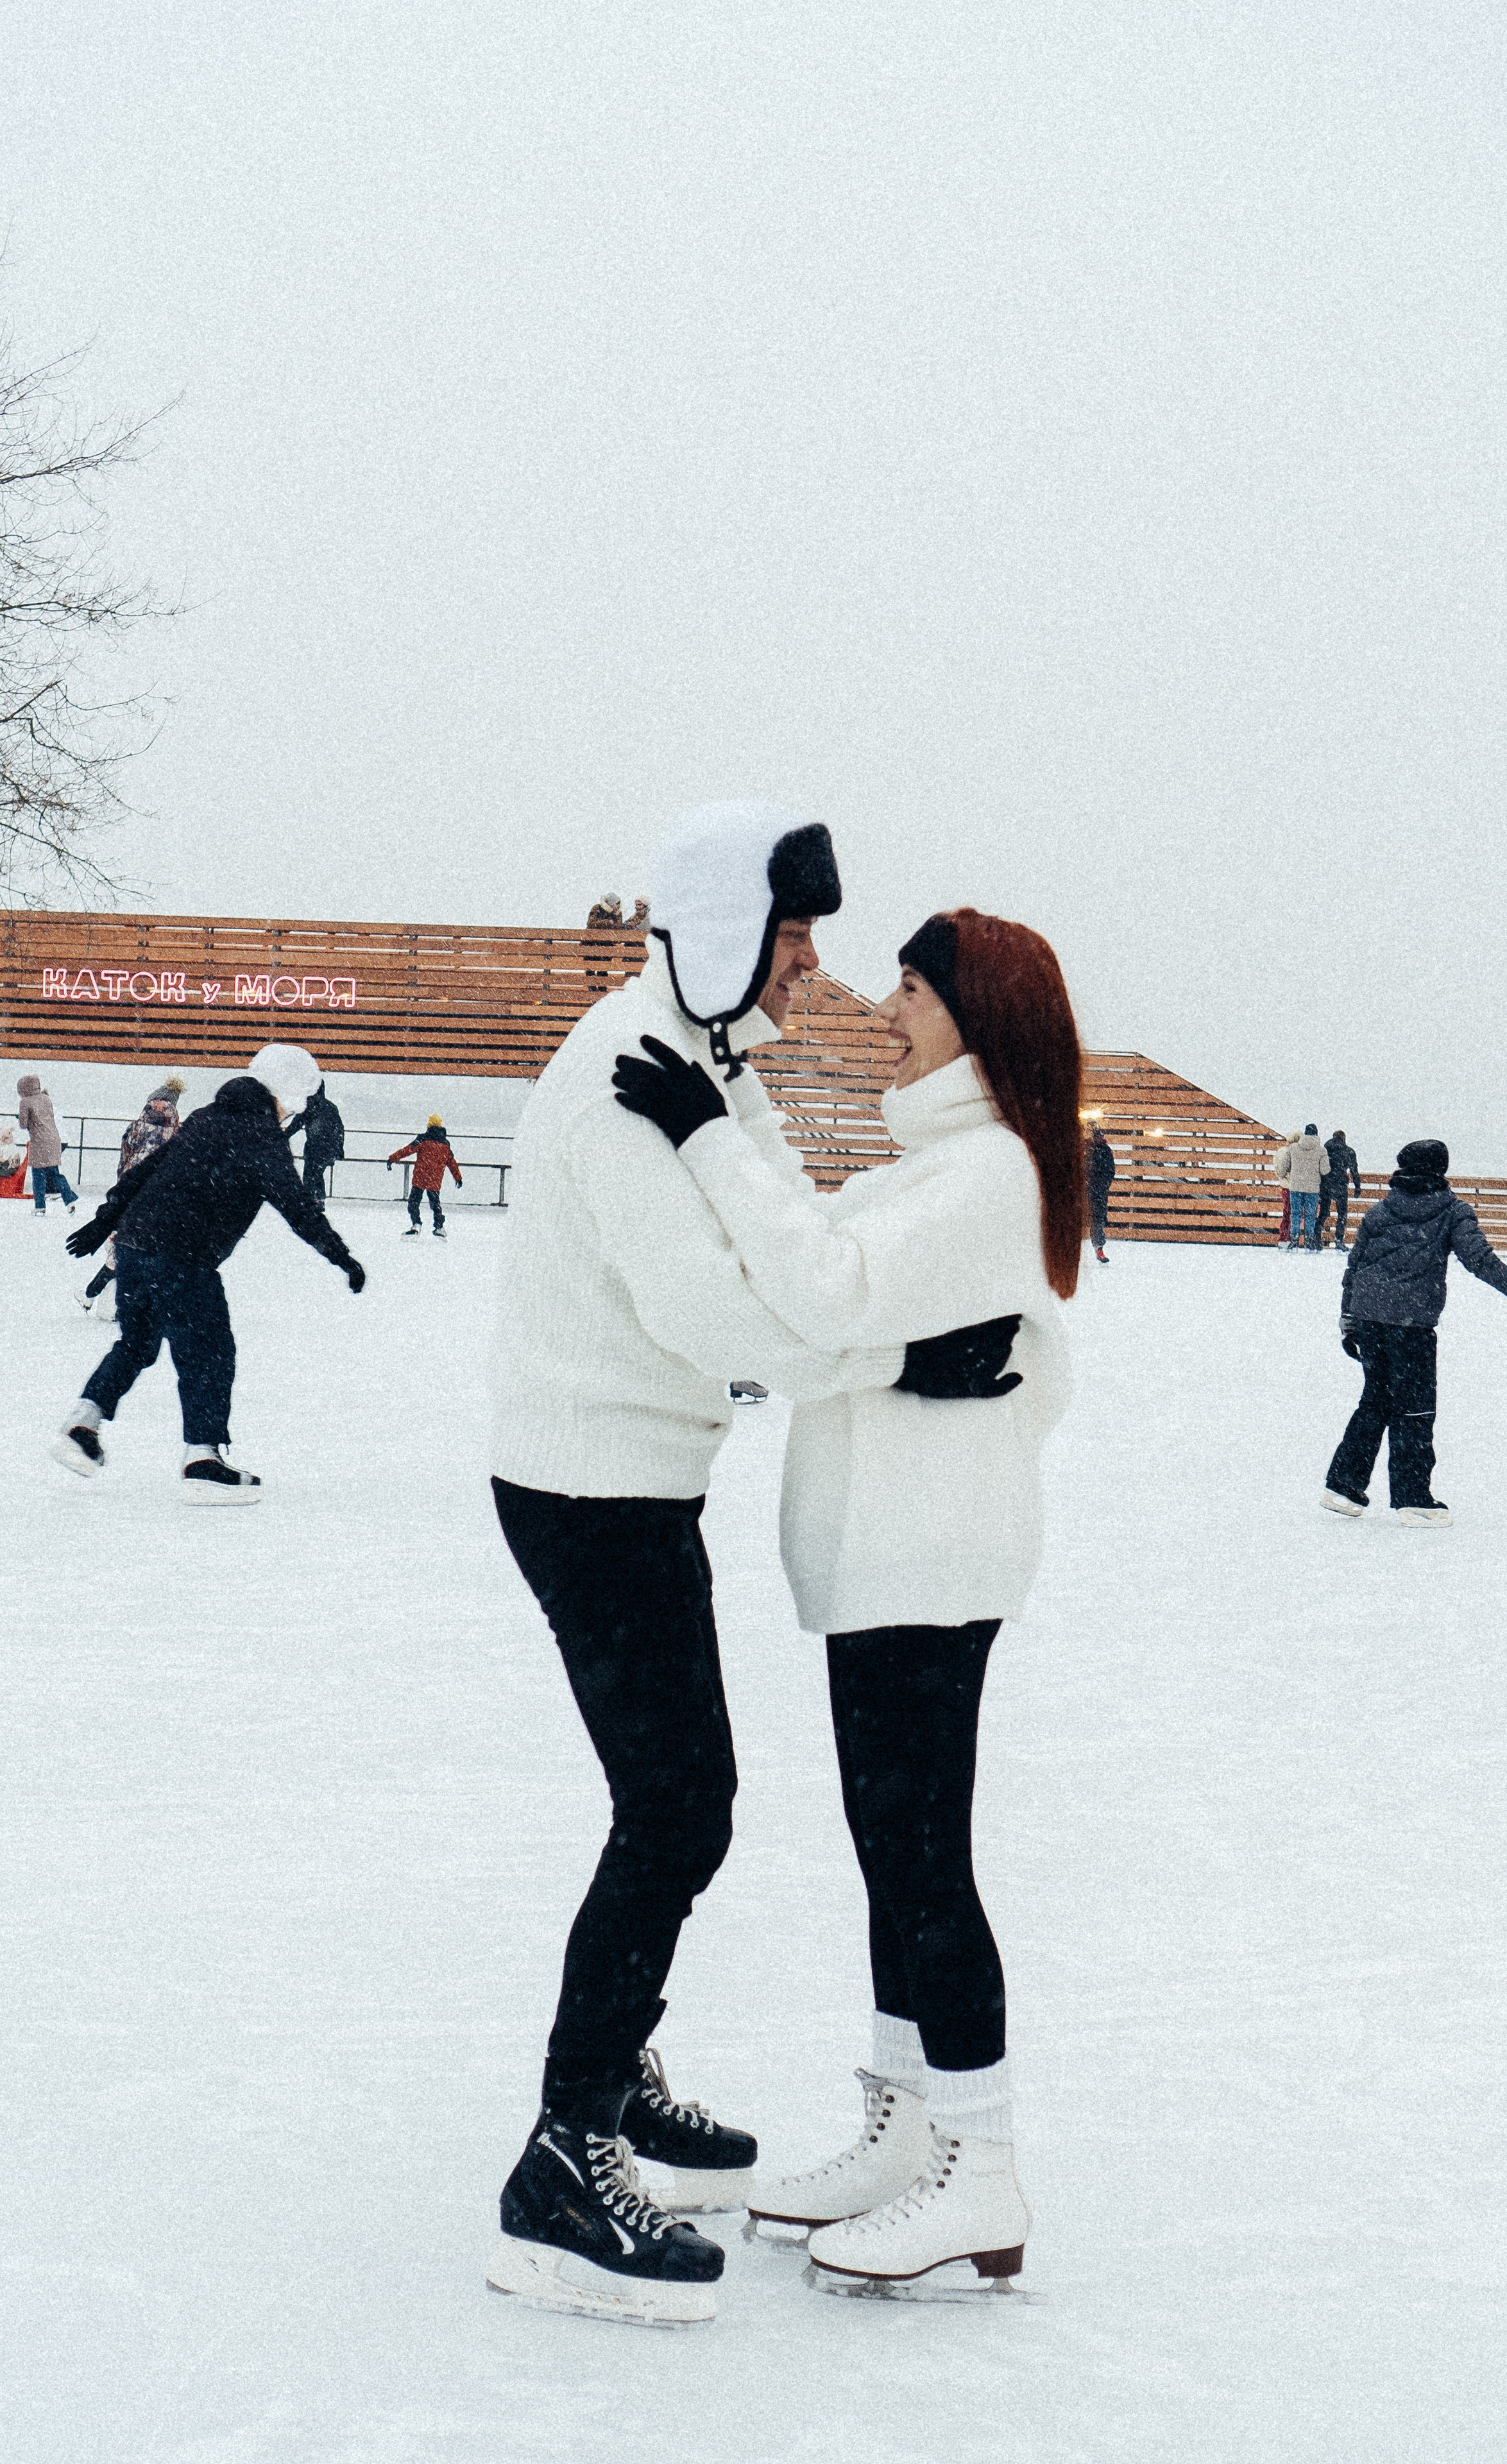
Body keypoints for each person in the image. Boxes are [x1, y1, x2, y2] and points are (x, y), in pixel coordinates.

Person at [484, 802, 1023, 2329]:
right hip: (587, 1483)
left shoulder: (701, 1061)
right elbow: (718, 1318)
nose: (812, 970)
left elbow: (793, 1219)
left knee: (683, 1800)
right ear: (724, 932)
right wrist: (905, 1356)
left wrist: (875, 1325)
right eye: (792, 938)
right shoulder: (621, 1084)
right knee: (675, 1807)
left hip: (637, 1478)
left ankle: (615, 2065)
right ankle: (566, 2145)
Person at [613, 904, 1078, 2298]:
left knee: (925, 1856)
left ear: (974, 1016)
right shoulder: (931, 1165)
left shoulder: (986, 1173)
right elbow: (823, 1263)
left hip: (927, 1559)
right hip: (885, 1560)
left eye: (913, 987)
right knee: (895, 1853)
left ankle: (980, 2162)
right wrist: (736, 1103)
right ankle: (905, 2127)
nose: (887, 1005)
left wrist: (700, 1132)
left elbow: (816, 1289)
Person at [53, 1045, 366, 1501]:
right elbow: (298, 1206)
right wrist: (343, 1258)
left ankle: (84, 1423)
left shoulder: (207, 1116)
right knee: (209, 1354)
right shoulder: (261, 1135)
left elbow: (146, 1170)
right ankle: (203, 1459)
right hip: (183, 1257)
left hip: (137, 1250)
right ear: (287, 1096)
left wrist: (107, 1220)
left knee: (137, 1344)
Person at [1322, 1138, 1507, 1527]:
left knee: (1375, 1401)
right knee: (1415, 1408)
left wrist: (1349, 1321)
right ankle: (1413, 1500)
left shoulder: (1381, 1211)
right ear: (1440, 1171)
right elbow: (1479, 1258)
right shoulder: (1451, 1210)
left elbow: (1355, 1268)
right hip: (1411, 1327)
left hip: (1372, 1321)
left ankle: (1342, 1486)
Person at [83, 1077, 187, 1310]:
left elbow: (124, 1159)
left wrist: (122, 1186)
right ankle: (122, 1301)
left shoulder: (136, 1127)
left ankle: (99, 1297)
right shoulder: (178, 1131)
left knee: (123, 1245)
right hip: (161, 1197)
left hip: (131, 1192)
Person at [387, 1116, 463, 1235]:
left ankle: (416, 1224)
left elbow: (407, 1150)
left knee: (414, 1202)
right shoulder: (445, 1144)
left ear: (428, 1125)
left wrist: (392, 1158)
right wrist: (458, 1178)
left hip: (421, 1177)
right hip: (435, 1179)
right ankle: (439, 1228)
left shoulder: (423, 1139)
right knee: (435, 1204)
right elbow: (452, 1162)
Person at [15, 1075, 78, 1215]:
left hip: (39, 1141)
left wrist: (22, 1117)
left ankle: (40, 1206)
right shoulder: (46, 1099)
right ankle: (69, 1199)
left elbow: (23, 1124)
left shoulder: (25, 1102)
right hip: (54, 1139)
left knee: (38, 1174)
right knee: (54, 1173)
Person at [284, 1079, 346, 1207]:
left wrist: (282, 1137)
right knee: (317, 1173)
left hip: (315, 1147)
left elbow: (295, 1125)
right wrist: (339, 1149)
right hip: (329, 1147)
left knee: (310, 1174)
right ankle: (318, 1199)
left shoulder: (308, 1107)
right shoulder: (331, 1107)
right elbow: (340, 1129)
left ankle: (313, 1200)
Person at [1279, 1124, 1329, 1249]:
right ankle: (1308, 1240)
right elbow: (1325, 1171)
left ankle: (1294, 1239)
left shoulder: (1293, 1148)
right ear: (1316, 1134)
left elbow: (1282, 1169)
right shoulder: (1322, 1150)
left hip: (1296, 1187)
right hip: (1312, 1189)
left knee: (1295, 1214)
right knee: (1310, 1215)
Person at [1318, 1129, 1361, 1251]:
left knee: (1323, 1213)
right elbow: (1354, 1171)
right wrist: (1357, 1187)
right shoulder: (1349, 1151)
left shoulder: (1325, 1150)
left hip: (1326, 1184)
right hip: (1341, 1186)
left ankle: (1316, 1238)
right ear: (1344, 1139)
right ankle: (1339, 1241)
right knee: (1342, 1214)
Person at [1086, 1119, 1114, 1262]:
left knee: (1097, 1220)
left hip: (1098, 1193)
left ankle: (1099, 1249)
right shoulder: (1085, 1150)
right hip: (1084, 1191)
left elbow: (1110, 1171)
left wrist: (1102, 1186)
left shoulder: (1105, 1151)